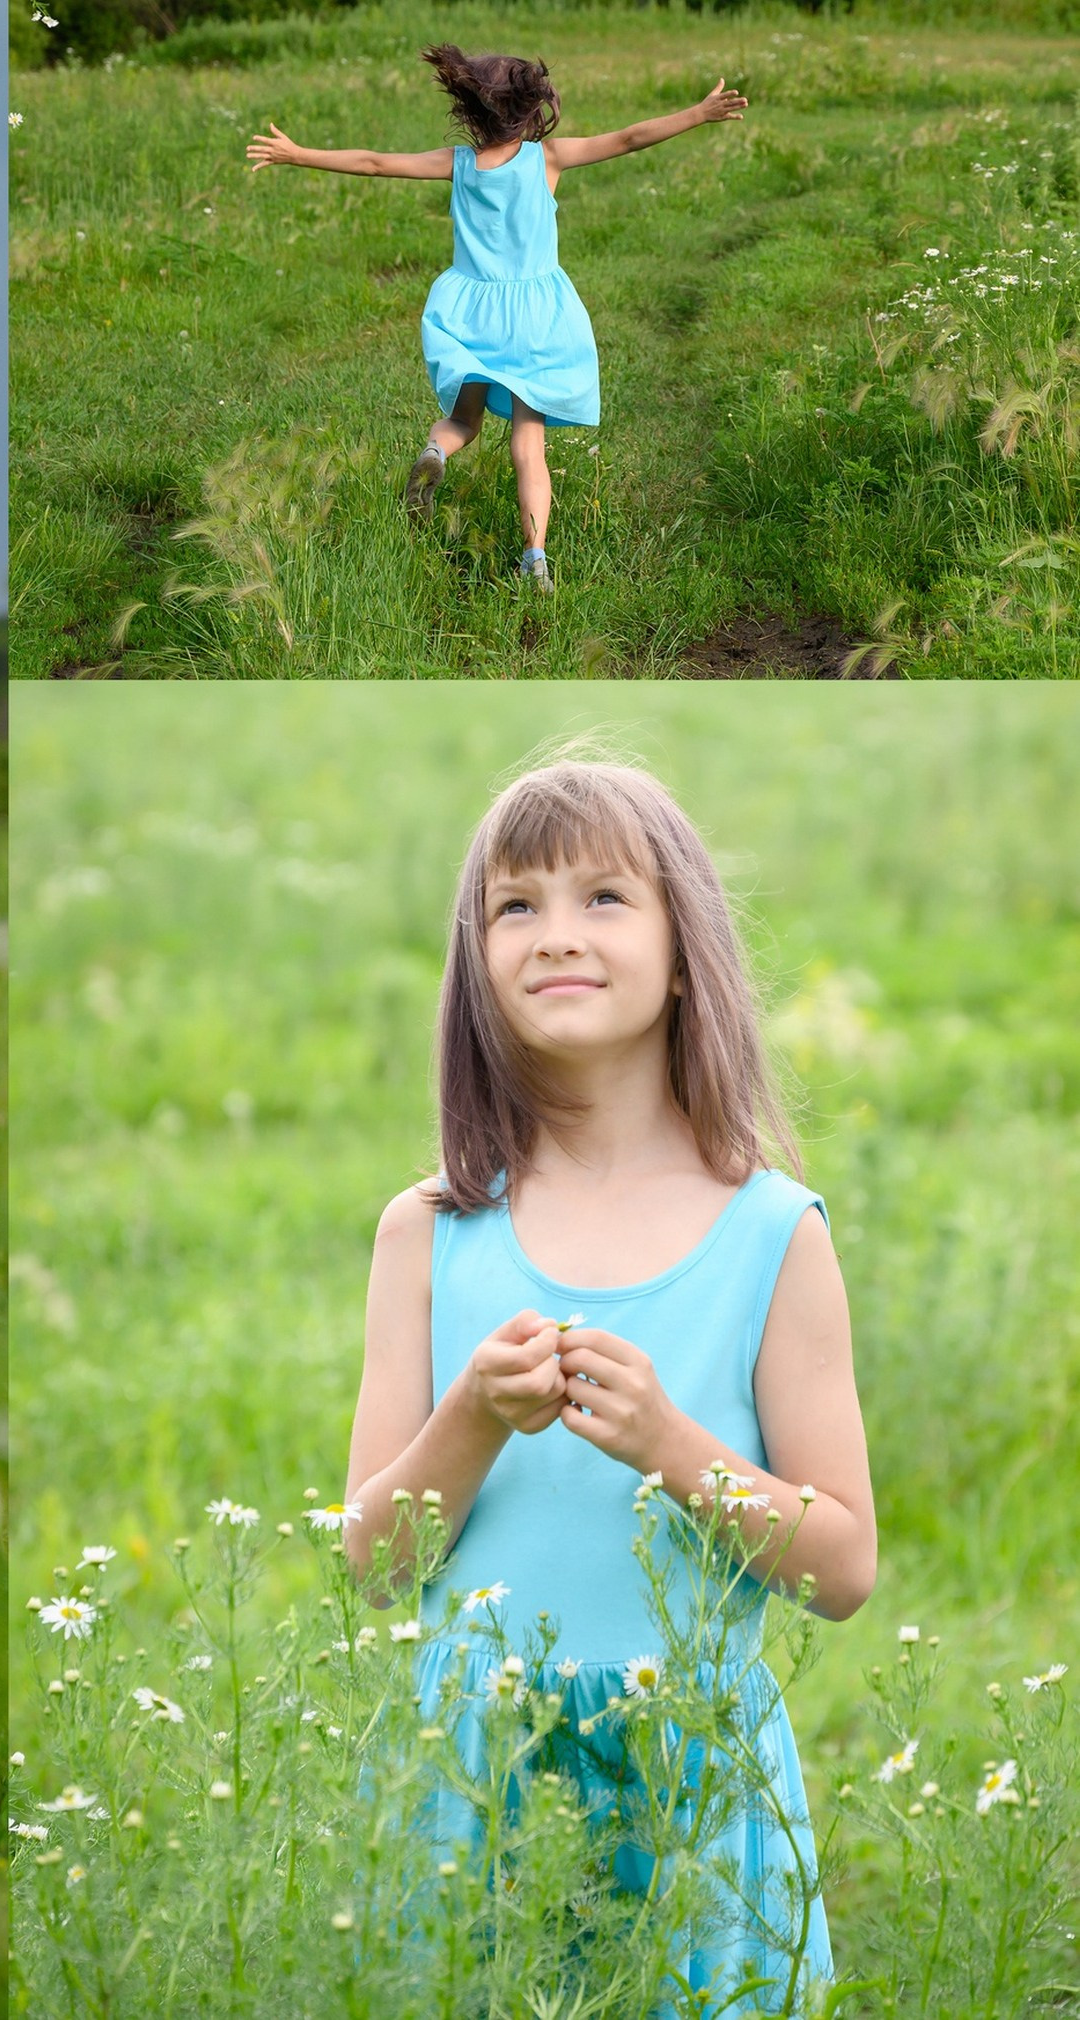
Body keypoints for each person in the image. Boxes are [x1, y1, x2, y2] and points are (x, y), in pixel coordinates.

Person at [340, 756, 872, 2004]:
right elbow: (370, 1562)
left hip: (691, 1778)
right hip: (473, 1776)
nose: (554, 935)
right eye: (513, 906)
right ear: (475, 966)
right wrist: (470, 1416)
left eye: (602, 899)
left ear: (685, 952)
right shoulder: (427, 1231)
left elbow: (841, 1567)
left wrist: (668, 1445)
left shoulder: (771, 1233)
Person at [246, 49, 747, 586]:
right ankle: (535, 558)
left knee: (464, 421)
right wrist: (697, 113)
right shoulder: (547, 158)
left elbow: (374, 162)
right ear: (532, 106)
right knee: (529, 447)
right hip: (535, 319)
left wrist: (298, 154)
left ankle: (437, 450)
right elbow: (627, 139)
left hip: (470, 312)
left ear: (473, 110)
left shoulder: (458, 164)